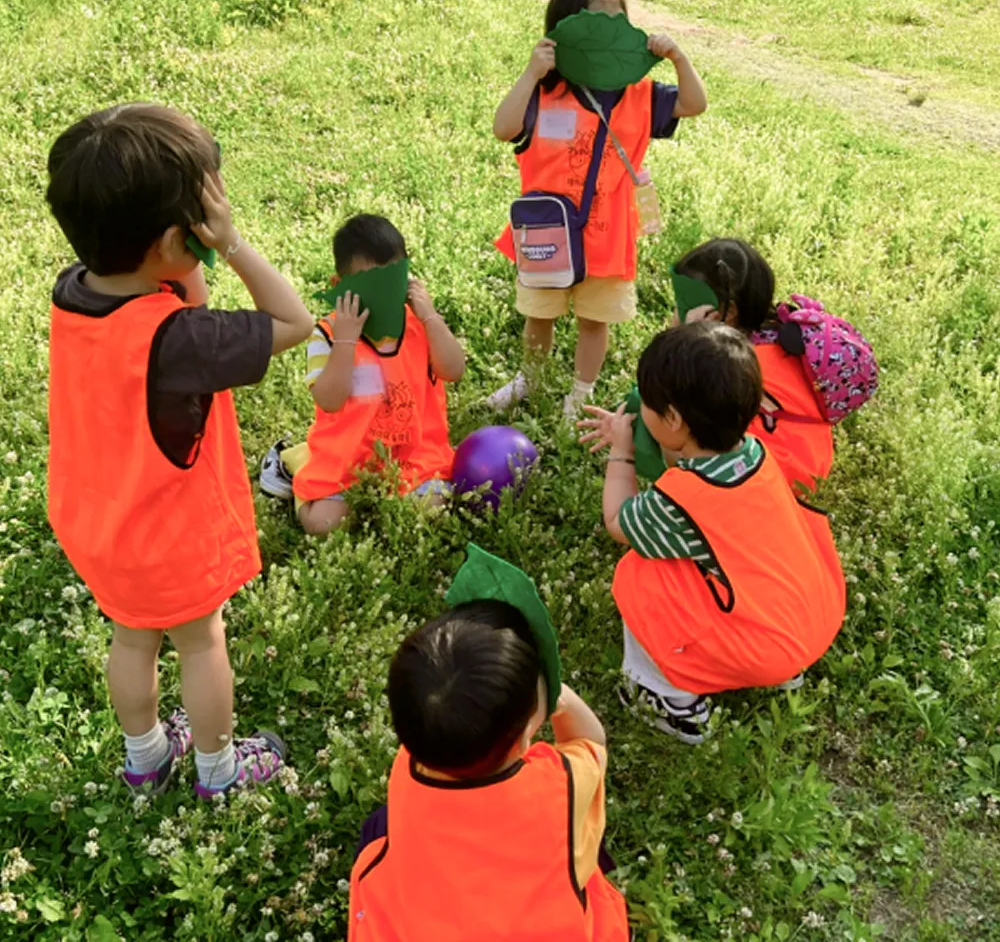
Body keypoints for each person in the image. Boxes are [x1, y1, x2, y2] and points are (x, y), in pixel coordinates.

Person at [46, 104, 314, 796]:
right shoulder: (183, 341)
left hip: (100, 523)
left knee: (132, 638)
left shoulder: (74, 290)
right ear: (175, 239)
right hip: (171, 536)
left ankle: (145, 761)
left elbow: (179, 291)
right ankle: (219, 772)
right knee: (201, 642)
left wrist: (183, 251)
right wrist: (232, 244)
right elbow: (293, 321)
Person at [578, 323, 845, 745]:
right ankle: (784, 671)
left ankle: (672, 703)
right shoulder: (756, 453)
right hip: (814, 617)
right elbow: (691, 461)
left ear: (673, 419)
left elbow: (617, 521)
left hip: (767, 647)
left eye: (648, 404)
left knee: (641, 574)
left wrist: (621, 451)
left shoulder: (678, 501)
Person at [348, 566, 628, 941]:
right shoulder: (560, 787)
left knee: (378, 827)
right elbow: (591, 742)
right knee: (584, 856)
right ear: (526, 736)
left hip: (414, 925)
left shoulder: (410, 764)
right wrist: (560, 698)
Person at [488, 0, 707, 420]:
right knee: (539, 313)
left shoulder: (641, 94)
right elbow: (503, 128)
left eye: (617, 22)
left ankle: (579, 394)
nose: (608, 36)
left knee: (595, 320)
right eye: (595, 24)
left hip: (607, 237)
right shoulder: (545, 90)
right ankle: (530, 379)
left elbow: (694, 104)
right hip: (546, 232)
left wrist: (678, 58)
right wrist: (530, 73)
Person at [259, 215, 464, 535]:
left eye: (392, 283)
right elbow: (329, 400)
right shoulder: (327, 335)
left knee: (429, 514)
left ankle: (308, 459)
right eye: (371, 287)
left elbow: (453, 369)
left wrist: (430, 316)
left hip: (414, 457)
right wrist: (346, 341)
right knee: (323, 524)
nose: (384, 298)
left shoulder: (420, 325)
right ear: (339, 286)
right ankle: (296, 462)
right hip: (347, 461)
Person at [668, 239, 876, 493]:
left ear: (727, 313)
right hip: (810, 458)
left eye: (683, 303)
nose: (675, 313)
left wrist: (681, 339)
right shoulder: (774, 334)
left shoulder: (728, 360)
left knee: (668, 422)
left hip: (774, 475)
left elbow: (666, 386)